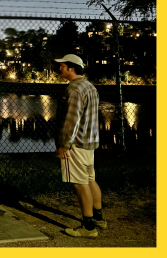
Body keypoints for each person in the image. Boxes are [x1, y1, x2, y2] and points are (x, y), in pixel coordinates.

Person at [54, 54, 107, 238]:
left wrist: (64, 145)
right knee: (90, 179)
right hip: (89, 142)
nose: (59, 68)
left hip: (76, 143)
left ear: (72, 68)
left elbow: (71, 121)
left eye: (62, 65)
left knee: (80, 183)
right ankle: (99, 218)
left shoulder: (74, 89)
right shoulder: (89, 86)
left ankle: (88, 226)